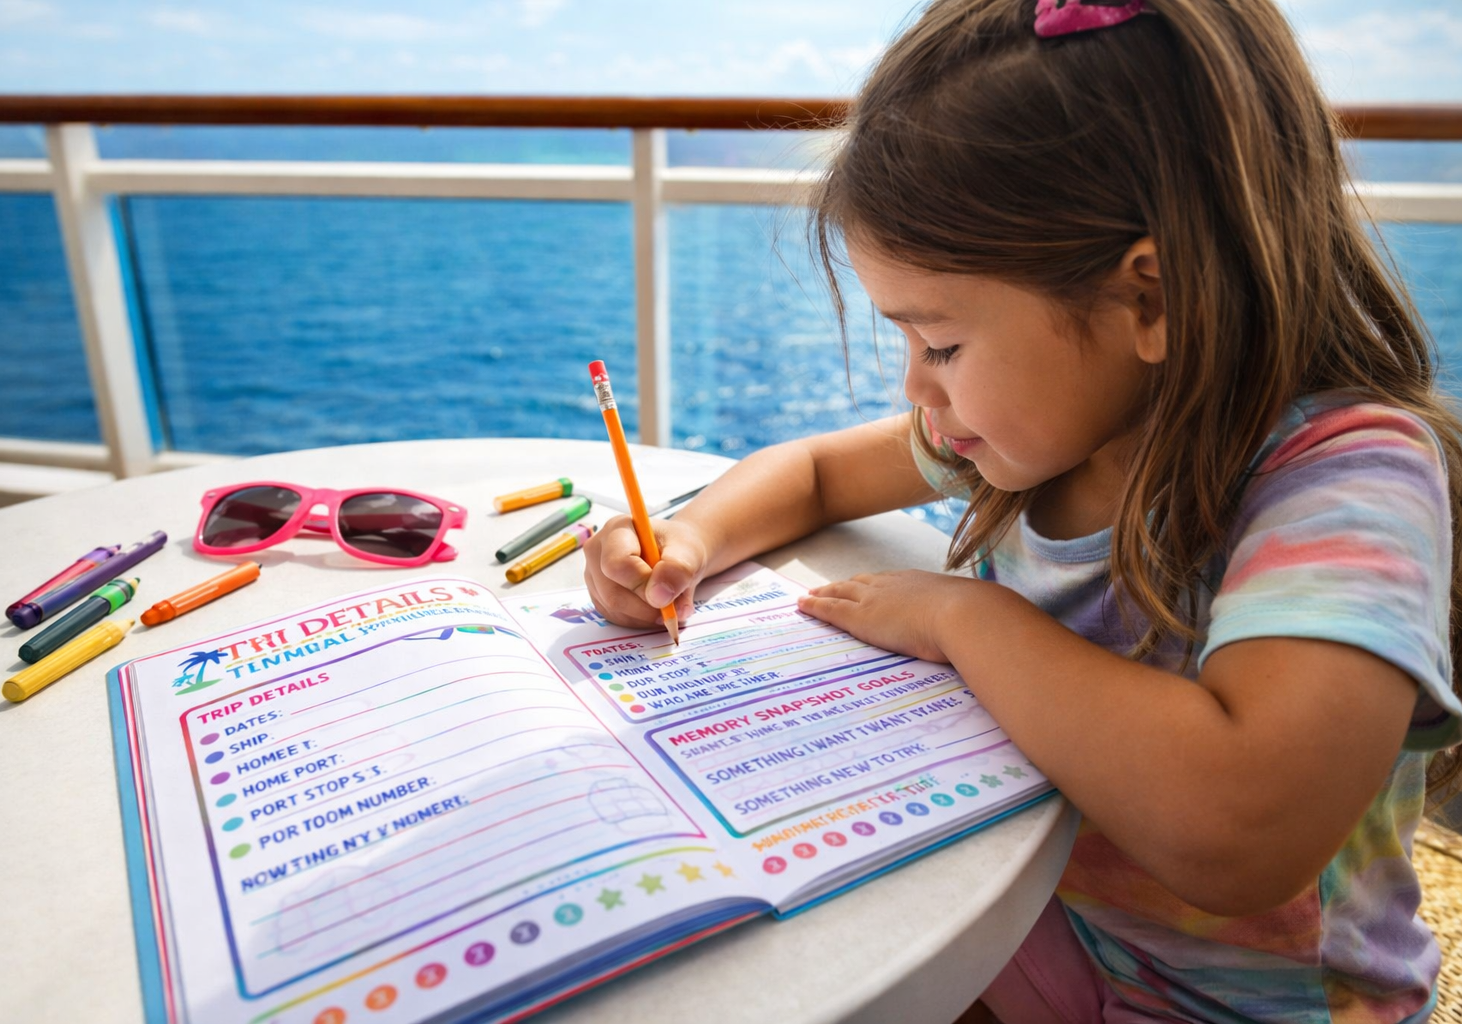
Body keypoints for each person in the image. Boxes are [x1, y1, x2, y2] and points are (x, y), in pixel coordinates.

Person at [582, 0, 1462, 1020]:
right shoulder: (1040, 435)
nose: (917, 389)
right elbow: (818, 474)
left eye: (943, 345)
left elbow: (1240, 830)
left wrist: (965, 618)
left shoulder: (1347, 478)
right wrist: (685, 539)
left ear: (1151, 300)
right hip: (1042, 923)